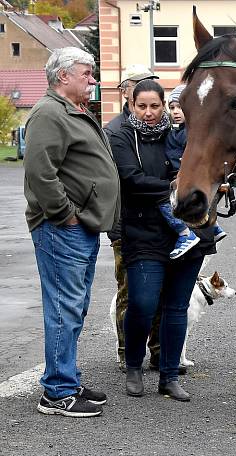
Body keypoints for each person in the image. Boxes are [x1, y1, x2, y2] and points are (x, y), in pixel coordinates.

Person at [24, 47, 120, 417]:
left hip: (80, 226)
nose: (93, 80)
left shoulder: (71, 111)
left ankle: (64, 378)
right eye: (87, 73)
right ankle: (58, 392)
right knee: (65, 307)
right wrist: (65, 214)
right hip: (61, 228)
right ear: (63, 76)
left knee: (74, 305)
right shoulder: (49, 113)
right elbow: (40, 171)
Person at [109, 79, 217, 401]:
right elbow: (131, 180)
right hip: (143, 233)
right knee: (142, 303)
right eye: (141, 106)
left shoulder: (181, 135)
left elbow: (209, 168)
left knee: (176, 307)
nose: (149, 112)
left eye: (155, 105)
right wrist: (177, 187)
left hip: (189, 233)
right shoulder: (123, 136)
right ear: (131, 105)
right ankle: (133, 366)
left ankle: (169, 376)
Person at [105, 64, 160, 372]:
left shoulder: (161, 127)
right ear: (127, 92)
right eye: (137, 86)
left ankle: (157, 350)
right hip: (125, 224)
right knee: (129, 291)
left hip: (157, 224)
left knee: (157, 293)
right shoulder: (116, 131)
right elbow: (125, 180)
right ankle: (128, 352)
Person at [164, 83, 226, 255]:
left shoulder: (190, 133)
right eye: (172, 107)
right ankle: (214, 226)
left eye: (180, 107)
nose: (175, 111)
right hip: (178, 172)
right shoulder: (174, 130)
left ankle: (185, 234)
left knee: (170, 203)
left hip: (182, 175)